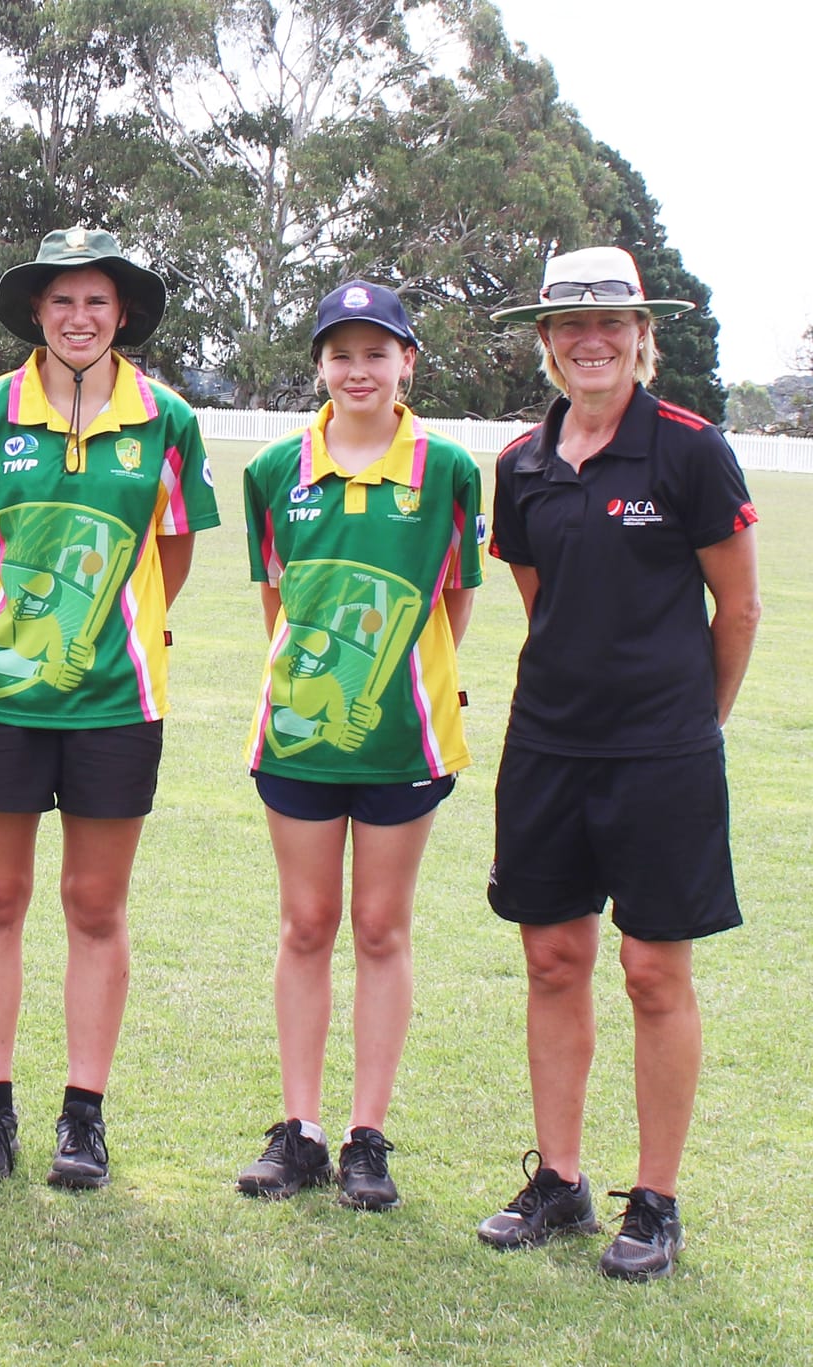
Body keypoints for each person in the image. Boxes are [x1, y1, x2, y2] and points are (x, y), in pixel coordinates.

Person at [476, 246, 760, 1280]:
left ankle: (655, 1200)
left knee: (651, 971)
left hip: (663, 754)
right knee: (553, 960)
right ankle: (558, 1180)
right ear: (545, 343)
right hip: (547, 747)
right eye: (569, 326)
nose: (589, 341)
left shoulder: (690, 449)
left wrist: (690, 727)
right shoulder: (520, 463)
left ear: (642, 335)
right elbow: (543, 601)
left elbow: (738, 609)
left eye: (610, 323)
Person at [0, 227, 218, 1188]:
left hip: (117, 701)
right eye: (61, 300)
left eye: (97, 300)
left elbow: (171, 551)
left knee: (95, 905)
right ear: (36, 312)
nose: (79, 316)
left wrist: (102, 630)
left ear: (123, 313)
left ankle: (83, 1117)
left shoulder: (168, 419)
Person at [234, 281, 483, 1210]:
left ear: (407, 362)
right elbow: (280, 603)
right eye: (341, 353)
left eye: (377, 352)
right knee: (305, 925)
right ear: (319, 367)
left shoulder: (448, 469)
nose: (359, 369)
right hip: (298, 742)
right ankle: (299, 1130)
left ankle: (365, 1136)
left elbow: (453, 599)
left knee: (381, 927)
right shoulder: (275, 471)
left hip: (405, 740)